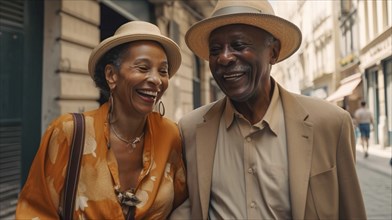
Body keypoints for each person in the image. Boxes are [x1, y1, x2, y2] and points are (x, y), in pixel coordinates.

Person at [170, 1, 366, 219]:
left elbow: (351, 211)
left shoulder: (331, 123)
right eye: (215, 50)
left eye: (238, 45)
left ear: (273, 53)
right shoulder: (190, 130)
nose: (224, 57)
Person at [16, 21, 187, 219]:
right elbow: (35, 211)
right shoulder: (69, 132)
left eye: (163, 71)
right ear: (111, 75)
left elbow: (182, 208)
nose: (156, 80)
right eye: (143, 67)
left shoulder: (171, 135)